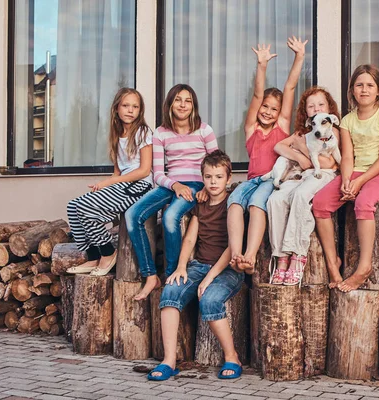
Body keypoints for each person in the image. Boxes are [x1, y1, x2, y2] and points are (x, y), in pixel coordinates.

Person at [148, 150, 245, 381]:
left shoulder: (233, 205)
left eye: (219, 177)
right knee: (170, 292)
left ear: (228, 179)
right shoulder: (200, 205)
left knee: (210, 299)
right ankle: (169, 360)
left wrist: (209, 277)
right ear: (202, 178)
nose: (213, 182)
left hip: (227, 270)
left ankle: (232, 357)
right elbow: (190, 239)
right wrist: (182, 266)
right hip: (199, 265)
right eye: (209, 177)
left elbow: (232, 247)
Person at [126, 84, 218, 301]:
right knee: (132, 215)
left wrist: (206, 188)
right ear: (170, 104)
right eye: (178, 99)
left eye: (187, 100)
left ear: (193, 105)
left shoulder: (205, 130)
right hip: (170, 185)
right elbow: (157, 173)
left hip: (196, 185)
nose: (183, 104)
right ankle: (150, 276)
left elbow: (217, 164)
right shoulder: (160, 133)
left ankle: (172, 276)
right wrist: (174, 185)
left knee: (170, 217)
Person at [312, 64, 379, 292]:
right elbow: (348, 157)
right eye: (359, 85)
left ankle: (364, 267)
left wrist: (359, 183)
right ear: (352, 91)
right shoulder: (348, 121)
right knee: (320, 203)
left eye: (370, 85)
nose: (364, 90)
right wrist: (346, 180)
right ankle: (333, 262)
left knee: (363, 202)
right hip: (356, 172)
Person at [227, 37, 307, 273]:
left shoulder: (282, 127)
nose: (268, 112)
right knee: (233, 202)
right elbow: (256, 94)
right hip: (251, 179)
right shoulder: (251, 129)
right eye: (265, 107)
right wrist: (261, 66)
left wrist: (299, 57)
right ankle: (236, 255)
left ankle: (250, 256)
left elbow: (290, 87)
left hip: (271, 181)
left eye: (274, 108)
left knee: (256, 204)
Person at [66, 88, 153, 275]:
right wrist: (105, 184)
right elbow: (117, 171)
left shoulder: (142, 132)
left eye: (135, 106)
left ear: (140, 110)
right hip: (123, 184)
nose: (130, 110)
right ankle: (93, 257)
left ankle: (108, 252)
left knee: (85, 207)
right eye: (126, 105)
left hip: (140, 186)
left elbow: (145, 170)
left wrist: (109, 183)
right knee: (73, 206)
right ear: (116, 108)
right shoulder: (117, 134)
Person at [266, 87, 341, 285]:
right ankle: (281, 256)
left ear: (329, 109)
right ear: (306, 112)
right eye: (311, 106)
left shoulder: (333, 132)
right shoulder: (303, 133)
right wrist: (300, 154)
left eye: (321, 104)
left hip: (323, 175)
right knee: (275, 199)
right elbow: (278, 146)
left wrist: (302, 149)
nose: (316, 108)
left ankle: (298, 255)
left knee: (300, 196)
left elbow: (329, 163)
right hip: (303, 174)